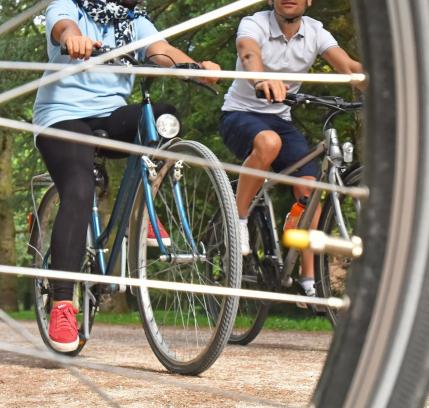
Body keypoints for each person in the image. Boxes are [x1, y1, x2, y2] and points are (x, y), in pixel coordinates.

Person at [34, 0, 220, 353]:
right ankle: (61, 303)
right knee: (78, 189)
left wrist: (194, 67)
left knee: (162, 117)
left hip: (109, 116)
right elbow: (62, 26)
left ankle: (147, 211)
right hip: (62, 117)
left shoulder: (135, 23)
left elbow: (161, 51)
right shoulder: (70, 7)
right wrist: (73, 39)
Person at [219, 0, 363, 300]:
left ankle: (308, 281)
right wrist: (261, 79)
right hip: (240, 114)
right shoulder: (254, 24)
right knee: (268, 143)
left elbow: (349, 67)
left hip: (280, 117)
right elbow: (249, 52)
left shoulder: (316, 32)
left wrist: (393, 89)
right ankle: (239, 220)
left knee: (310, 193)